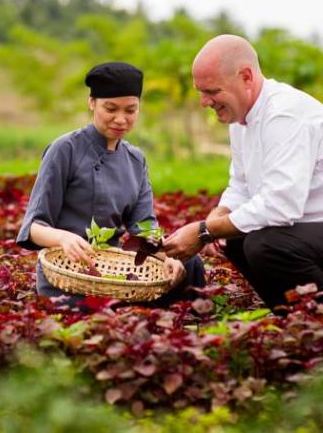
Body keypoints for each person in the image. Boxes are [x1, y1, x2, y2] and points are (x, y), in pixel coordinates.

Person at [163, 35, 323, 311]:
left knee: (265, 245)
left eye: (212, 91)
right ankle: (291, 314)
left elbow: (281, 207)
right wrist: (216, 218)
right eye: (200, 92)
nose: (204, 101)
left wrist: (203, 231)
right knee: (236, 238)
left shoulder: (284, 116)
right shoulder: (241, 119)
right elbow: (241, 185)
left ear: (245, 77)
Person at [17, 61, 205, 305]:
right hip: (69, 274)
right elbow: (34, 226)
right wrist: (63, 238)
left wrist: (163, 256)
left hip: (115, 273)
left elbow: (144, 225)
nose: (121, 119)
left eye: (130, 110)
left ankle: (192, 330)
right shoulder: (65, 149)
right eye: (111, 108)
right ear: (92, 103)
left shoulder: (135, 159)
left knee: (188, 264)